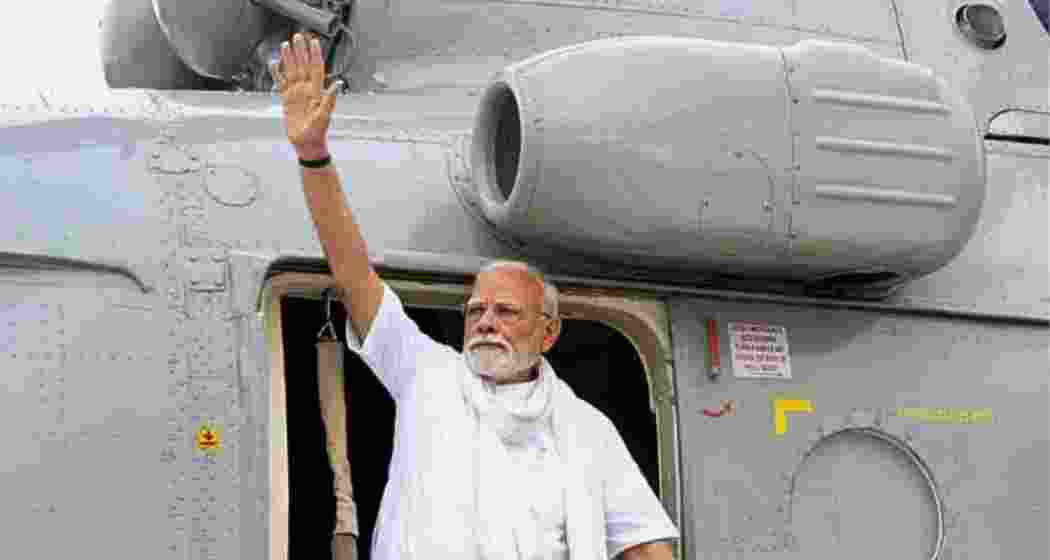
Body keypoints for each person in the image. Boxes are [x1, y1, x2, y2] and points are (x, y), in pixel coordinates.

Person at [273, 31, 680, 560]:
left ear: (548, 330)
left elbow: (646, 546)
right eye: (476, 310)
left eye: (506, 311)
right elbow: (354, 275)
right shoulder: (427, 375)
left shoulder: (586, 431)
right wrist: (312, 155)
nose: (486, 321)